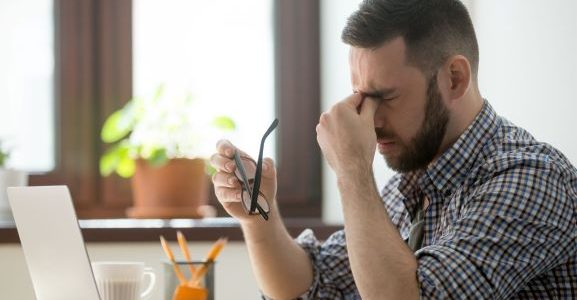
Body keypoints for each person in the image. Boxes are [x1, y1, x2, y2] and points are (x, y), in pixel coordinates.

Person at [210, 0, 577, 298]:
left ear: (455, 79)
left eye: (385, 96)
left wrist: (352, 170)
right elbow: (307, 283)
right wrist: (258, 217)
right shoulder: (412, 185)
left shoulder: (532, 178)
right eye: (360, 98)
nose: (368, 119)